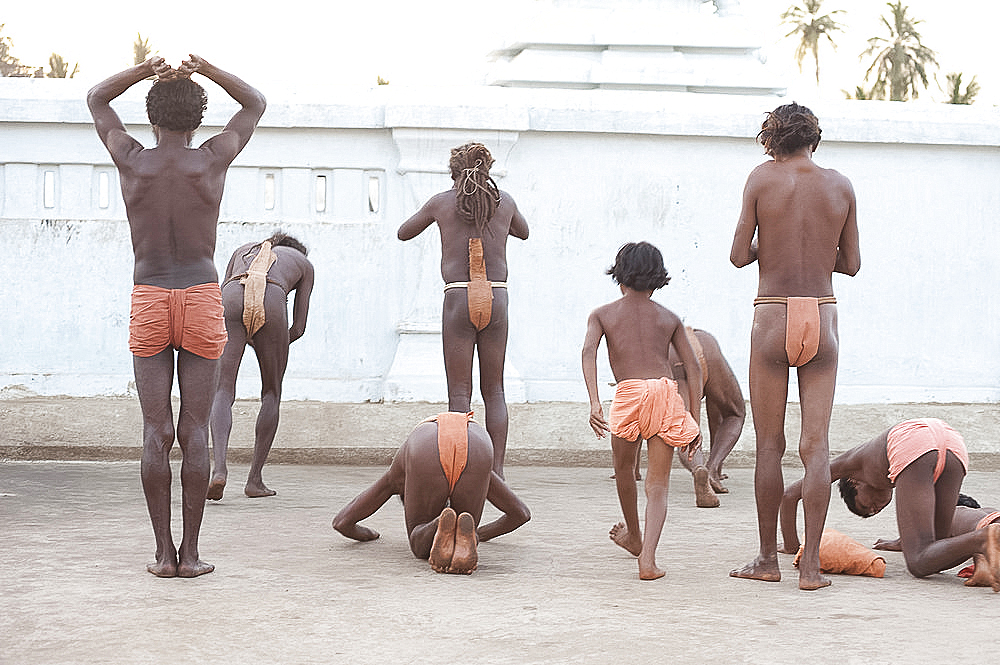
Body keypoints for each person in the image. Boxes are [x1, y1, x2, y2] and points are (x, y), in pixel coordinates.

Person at [88, 55, 265, 577]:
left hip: (150, 296)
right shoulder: (212, 160)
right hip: (201, 297)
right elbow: (255, 102)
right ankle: (190, 555)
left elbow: (97, 98)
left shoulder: (132, 160)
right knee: (194, 431)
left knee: (155, 432)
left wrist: (144, 70)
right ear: (197, 120)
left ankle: (162, 555)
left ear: (153, 119)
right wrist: (206, 68)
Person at [729, 102, 860, 590]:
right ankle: (809, 566)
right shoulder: (841, 185)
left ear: (773, 137)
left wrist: (772, 246)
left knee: (769, 444)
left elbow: (739, 255)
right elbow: (851, 263)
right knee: (816, 446)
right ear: (814, 138)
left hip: (773, 313)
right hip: (821, 313)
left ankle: (768, 559)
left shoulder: (761, 179)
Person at [397, 143, 529, 478]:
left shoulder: (442, 202)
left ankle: (462, 470)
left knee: (460, 393)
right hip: (497, 296)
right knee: (495, 390)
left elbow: (403, 233)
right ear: (488, 169)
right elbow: (523, 232)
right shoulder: (505, 202)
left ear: (454, 172)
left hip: (458, 296)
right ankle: (496, 473)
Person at [582, 241, 704, 580]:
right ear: (657, 279)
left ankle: (634, 535)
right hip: (664, 392)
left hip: (629, 393)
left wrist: (595, 401)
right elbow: (693, 368)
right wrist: (693, 417)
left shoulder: (603, 314)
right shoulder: (669, 318)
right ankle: (647, 560)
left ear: (619, 276)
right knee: (658, 486)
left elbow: (588, 353)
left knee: (625, 472)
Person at [778, 419, 1000, 591]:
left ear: (854, 482)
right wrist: (904, 540)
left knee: (918, 564)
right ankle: (983, 552)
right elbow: (922, 517)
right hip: (951, 441)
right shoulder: (890, 467)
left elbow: (789, 495)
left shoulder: (844, 466)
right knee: (937, 553)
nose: (874, 508)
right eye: (872, 512)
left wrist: (791, 545)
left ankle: (982, 537)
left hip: (915, 441)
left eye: (865, 506)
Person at [332, 412, 531, 574]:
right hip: (477, 442)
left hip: (425, 447)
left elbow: (343, 523)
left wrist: (369, 534)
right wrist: (479, 533)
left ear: (404, 491)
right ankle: (466, 538)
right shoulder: (484, 470)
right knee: (465, 525)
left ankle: (437, 524)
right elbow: (520, 514)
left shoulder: (398, 473)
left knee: (419, 544)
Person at [208, 232, 315, 500]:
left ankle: (218, 469)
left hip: (231, 296)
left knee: (222, 390)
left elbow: (219, 293)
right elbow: (299, 328)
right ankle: (254, 480)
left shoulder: (242, 249)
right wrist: (273, 345)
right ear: (297, 250)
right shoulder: (303, 263)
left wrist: (243, 337)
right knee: (271, 393)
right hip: (272, 298)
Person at [669, 327, 746, 494]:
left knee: (685, 425)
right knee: (734, 413)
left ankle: (699, 469)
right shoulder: (696, 334)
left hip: (671, 354)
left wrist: (631, 469)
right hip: (706, 347)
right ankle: (712, 468)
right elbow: (716, 413)